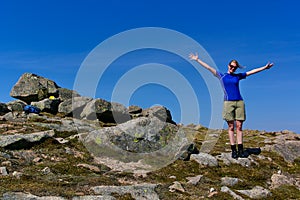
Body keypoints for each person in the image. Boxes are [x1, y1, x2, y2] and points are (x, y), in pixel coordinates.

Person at [189, 53, 274, 159]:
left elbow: (251, 72)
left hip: (239, 102)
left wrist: (265, 68)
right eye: (231, 66)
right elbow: (208, 68)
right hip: (228, 103)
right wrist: (197, 59)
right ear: (228, 66)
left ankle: (241, 150)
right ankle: (233, 150)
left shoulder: (238, 76)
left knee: (239, 127)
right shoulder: (222, 76)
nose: (233, 68)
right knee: (231, 127)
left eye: (235, 67)